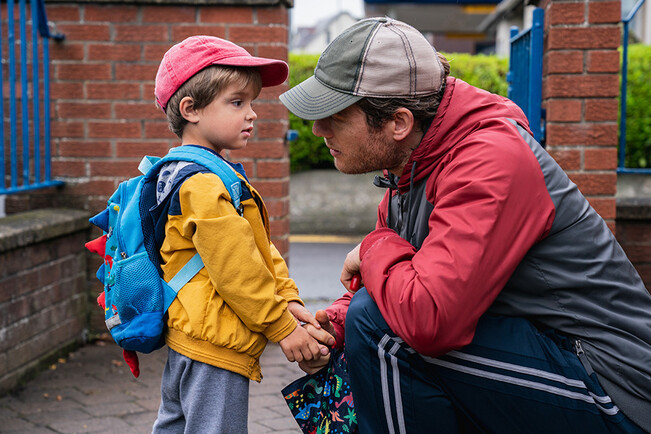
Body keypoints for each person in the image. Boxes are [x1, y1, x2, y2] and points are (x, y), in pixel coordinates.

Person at [280, 17, 651, 434]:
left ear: (399, 122)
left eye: (335, 115)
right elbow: (398, 285)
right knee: (366, 320)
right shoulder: (412, 166)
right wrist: (336, 325)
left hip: (613, 389)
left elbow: (431, 319)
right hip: (547, 358)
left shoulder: (490, 159)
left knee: (384, 330)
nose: (317, 129)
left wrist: (373, 247)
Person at [150, 35, 328, 433]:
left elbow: (259, 250)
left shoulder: (199, 173)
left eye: (252, 103)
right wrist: (282, 327)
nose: (252, 115)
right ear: (190, 109)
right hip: (215, 346)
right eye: (237, 102)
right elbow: (238, 270)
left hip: (192, 334)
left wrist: (289, 301)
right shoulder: (203, 184)